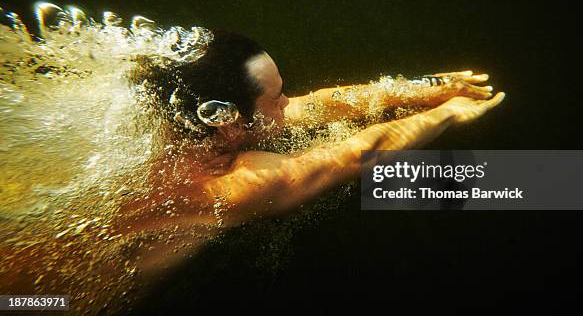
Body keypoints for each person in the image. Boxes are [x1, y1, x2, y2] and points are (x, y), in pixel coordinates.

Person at [115, 30, 505, 279]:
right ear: (228, 121)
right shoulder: (234, 186)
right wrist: (447, 113)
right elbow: (355, 154)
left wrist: (425, 87)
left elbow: (317, 105)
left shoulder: (168, 119)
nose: (288, 102)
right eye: (275, 98)